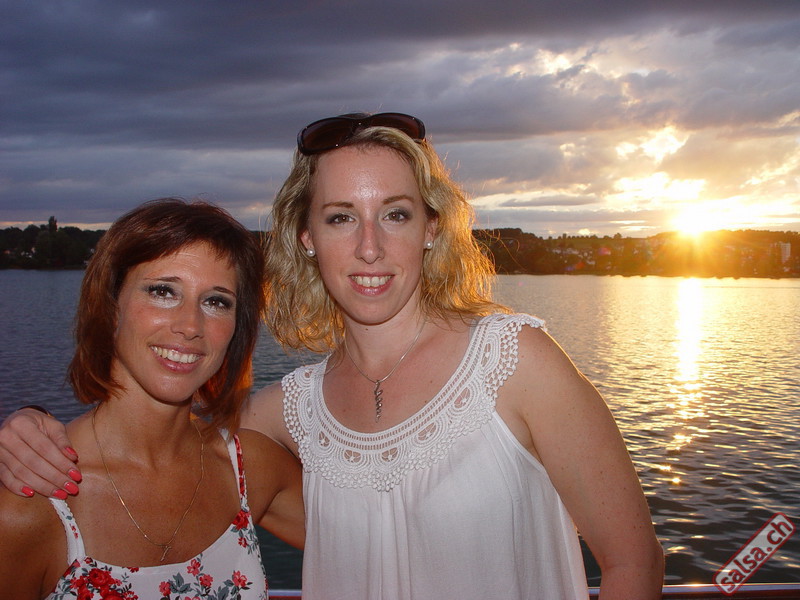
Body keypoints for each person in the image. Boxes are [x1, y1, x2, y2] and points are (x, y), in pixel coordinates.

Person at [0, 114, 663, 599]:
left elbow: (634, 562)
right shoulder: (288, 413)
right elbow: (158, 438)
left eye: (395, 214)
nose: (370, 247)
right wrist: (28, 425)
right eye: (342, 216)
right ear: (307, 236)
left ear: (431, 229)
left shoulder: (515, 361)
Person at [0, 199, 303, 600]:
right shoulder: (31, 505)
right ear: (111, 306)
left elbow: (373, 547)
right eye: (163, 291)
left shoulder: (251, 467)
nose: (190, 325)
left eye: (216, 301)